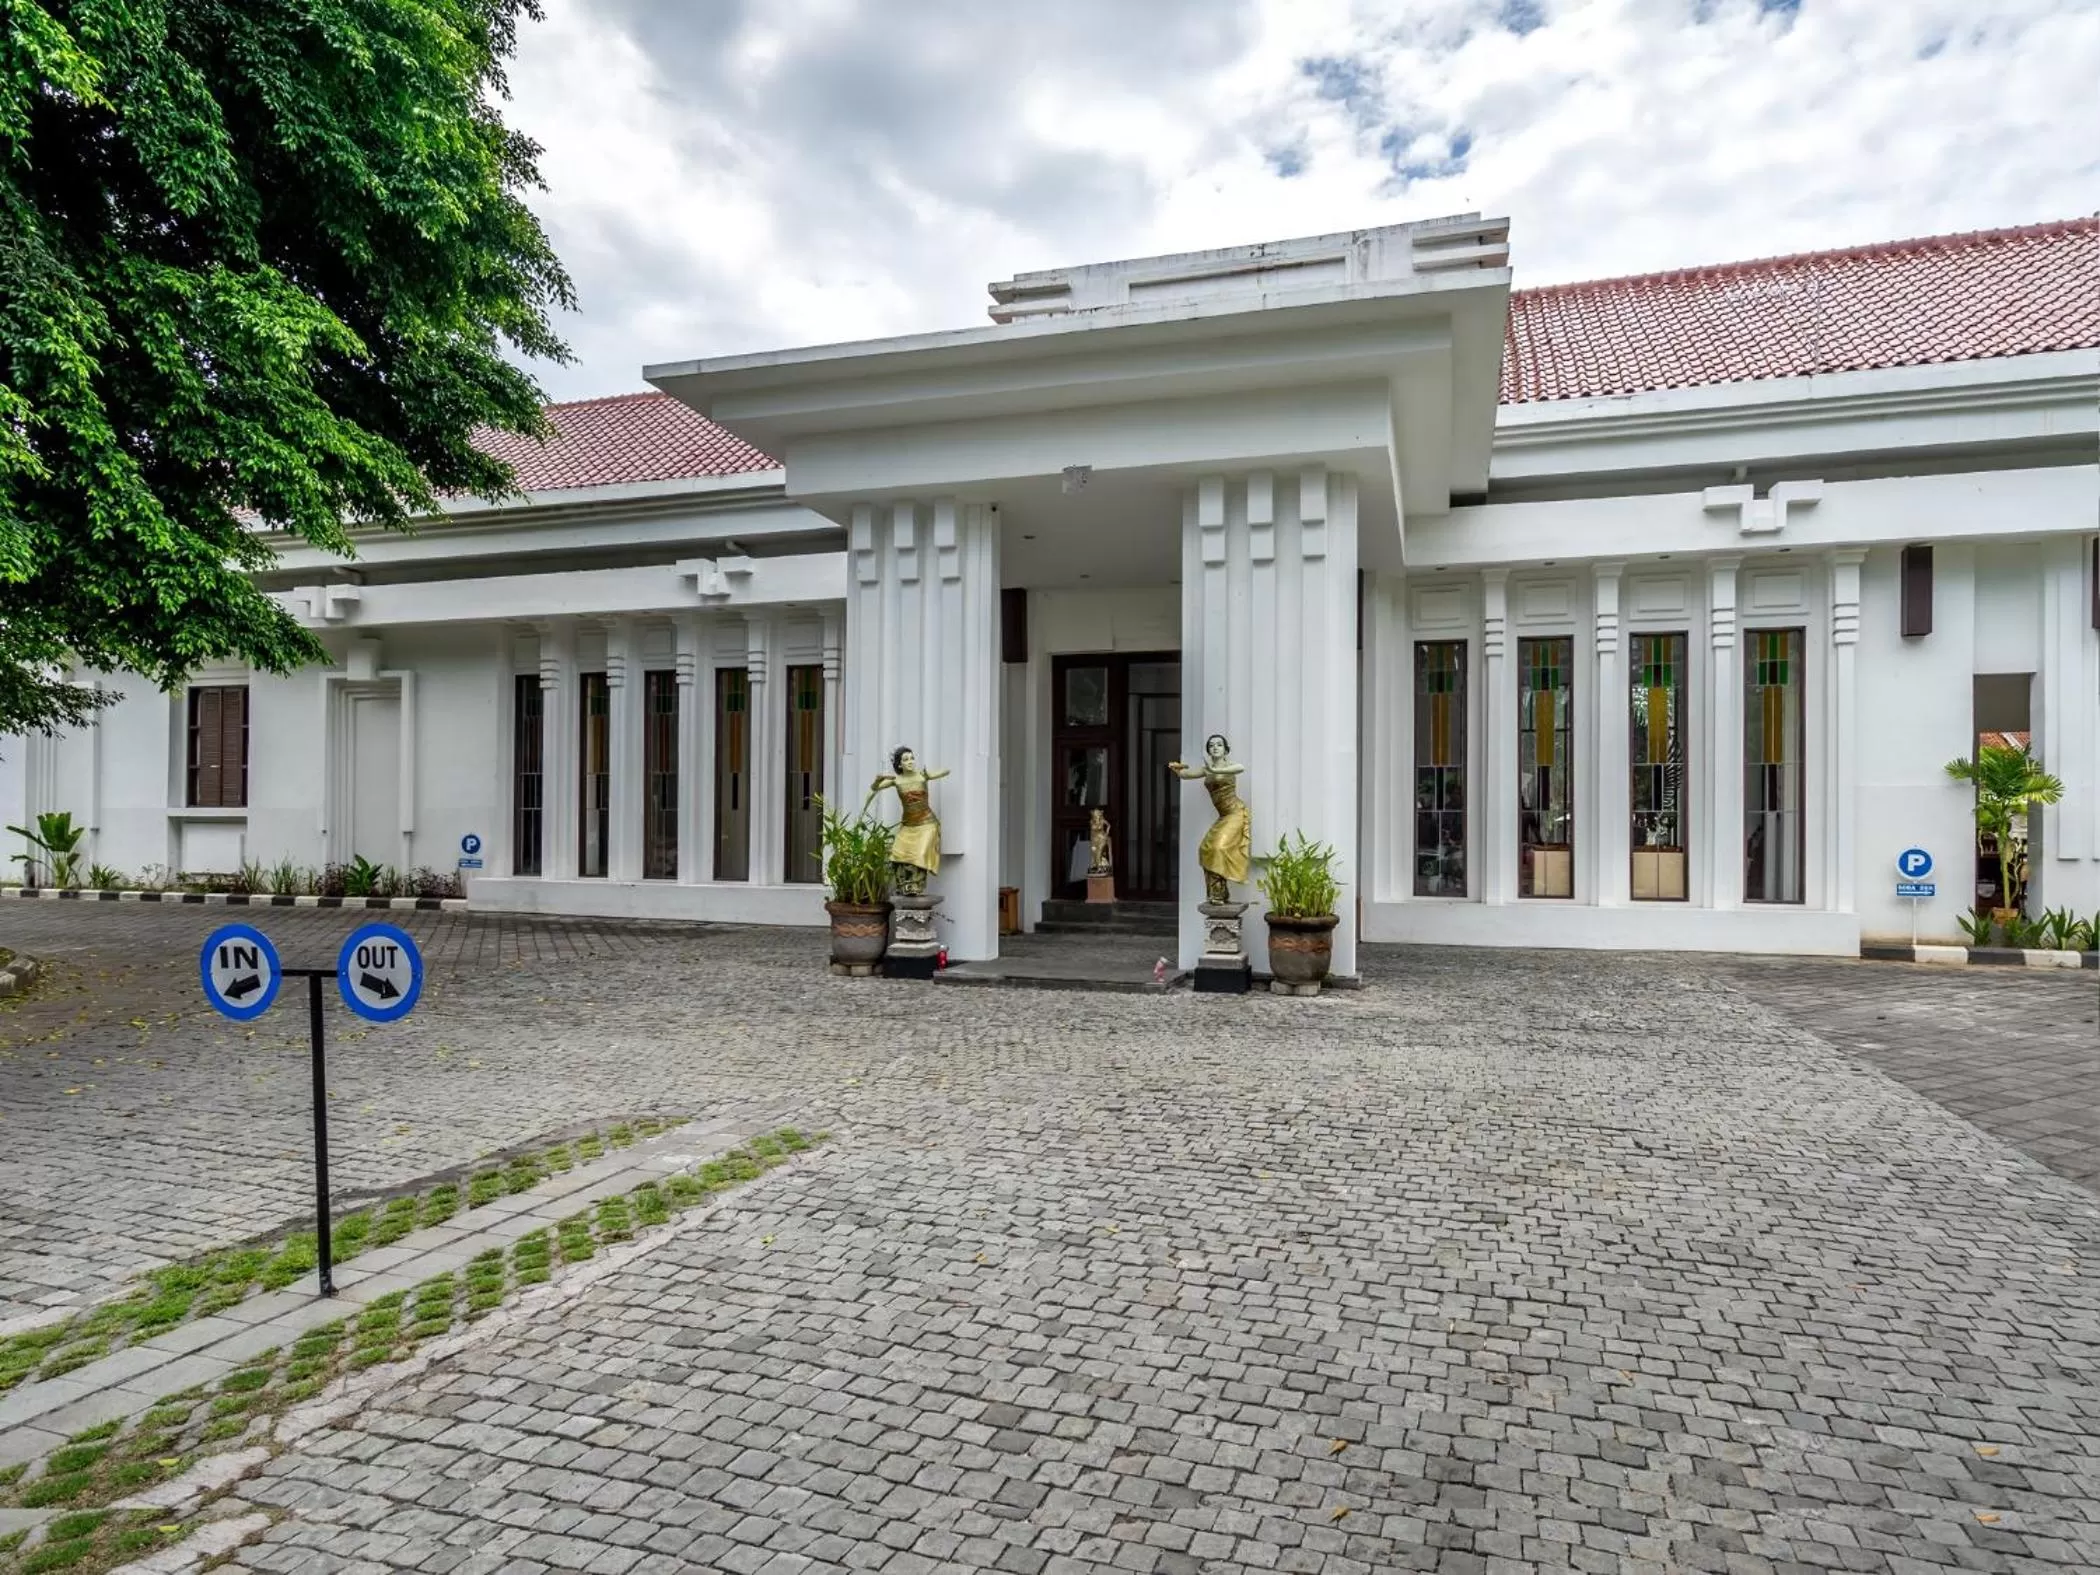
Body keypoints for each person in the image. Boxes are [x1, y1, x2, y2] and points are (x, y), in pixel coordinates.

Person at [1168, 734, 1249, 904]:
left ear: (1226, 750)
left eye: (1219, 745)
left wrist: (1217, 771)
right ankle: (1218, 892)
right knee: (1207, 848)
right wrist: (1177, 769)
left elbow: (1241, 768)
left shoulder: (1230, 766)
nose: (1215, 747)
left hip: (1235, 813)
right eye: (1211, 745)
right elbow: (1186, 775)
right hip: (1223, 816)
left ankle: (1219, 892)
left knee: (1218, 847)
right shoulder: (1207, 769)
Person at [868, 747, 949, 896]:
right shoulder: (897, 781)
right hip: (908, 825)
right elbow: (875, 788)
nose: (910, 762)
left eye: (912, 758)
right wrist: (878, 779)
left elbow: (946, 771)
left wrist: (929, 775)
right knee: (897, 853)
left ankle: (916, 886)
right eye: (906, 760)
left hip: (927, 823)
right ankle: (905, 886)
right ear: (900, 765)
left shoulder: (921, 776)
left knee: (919, 855)